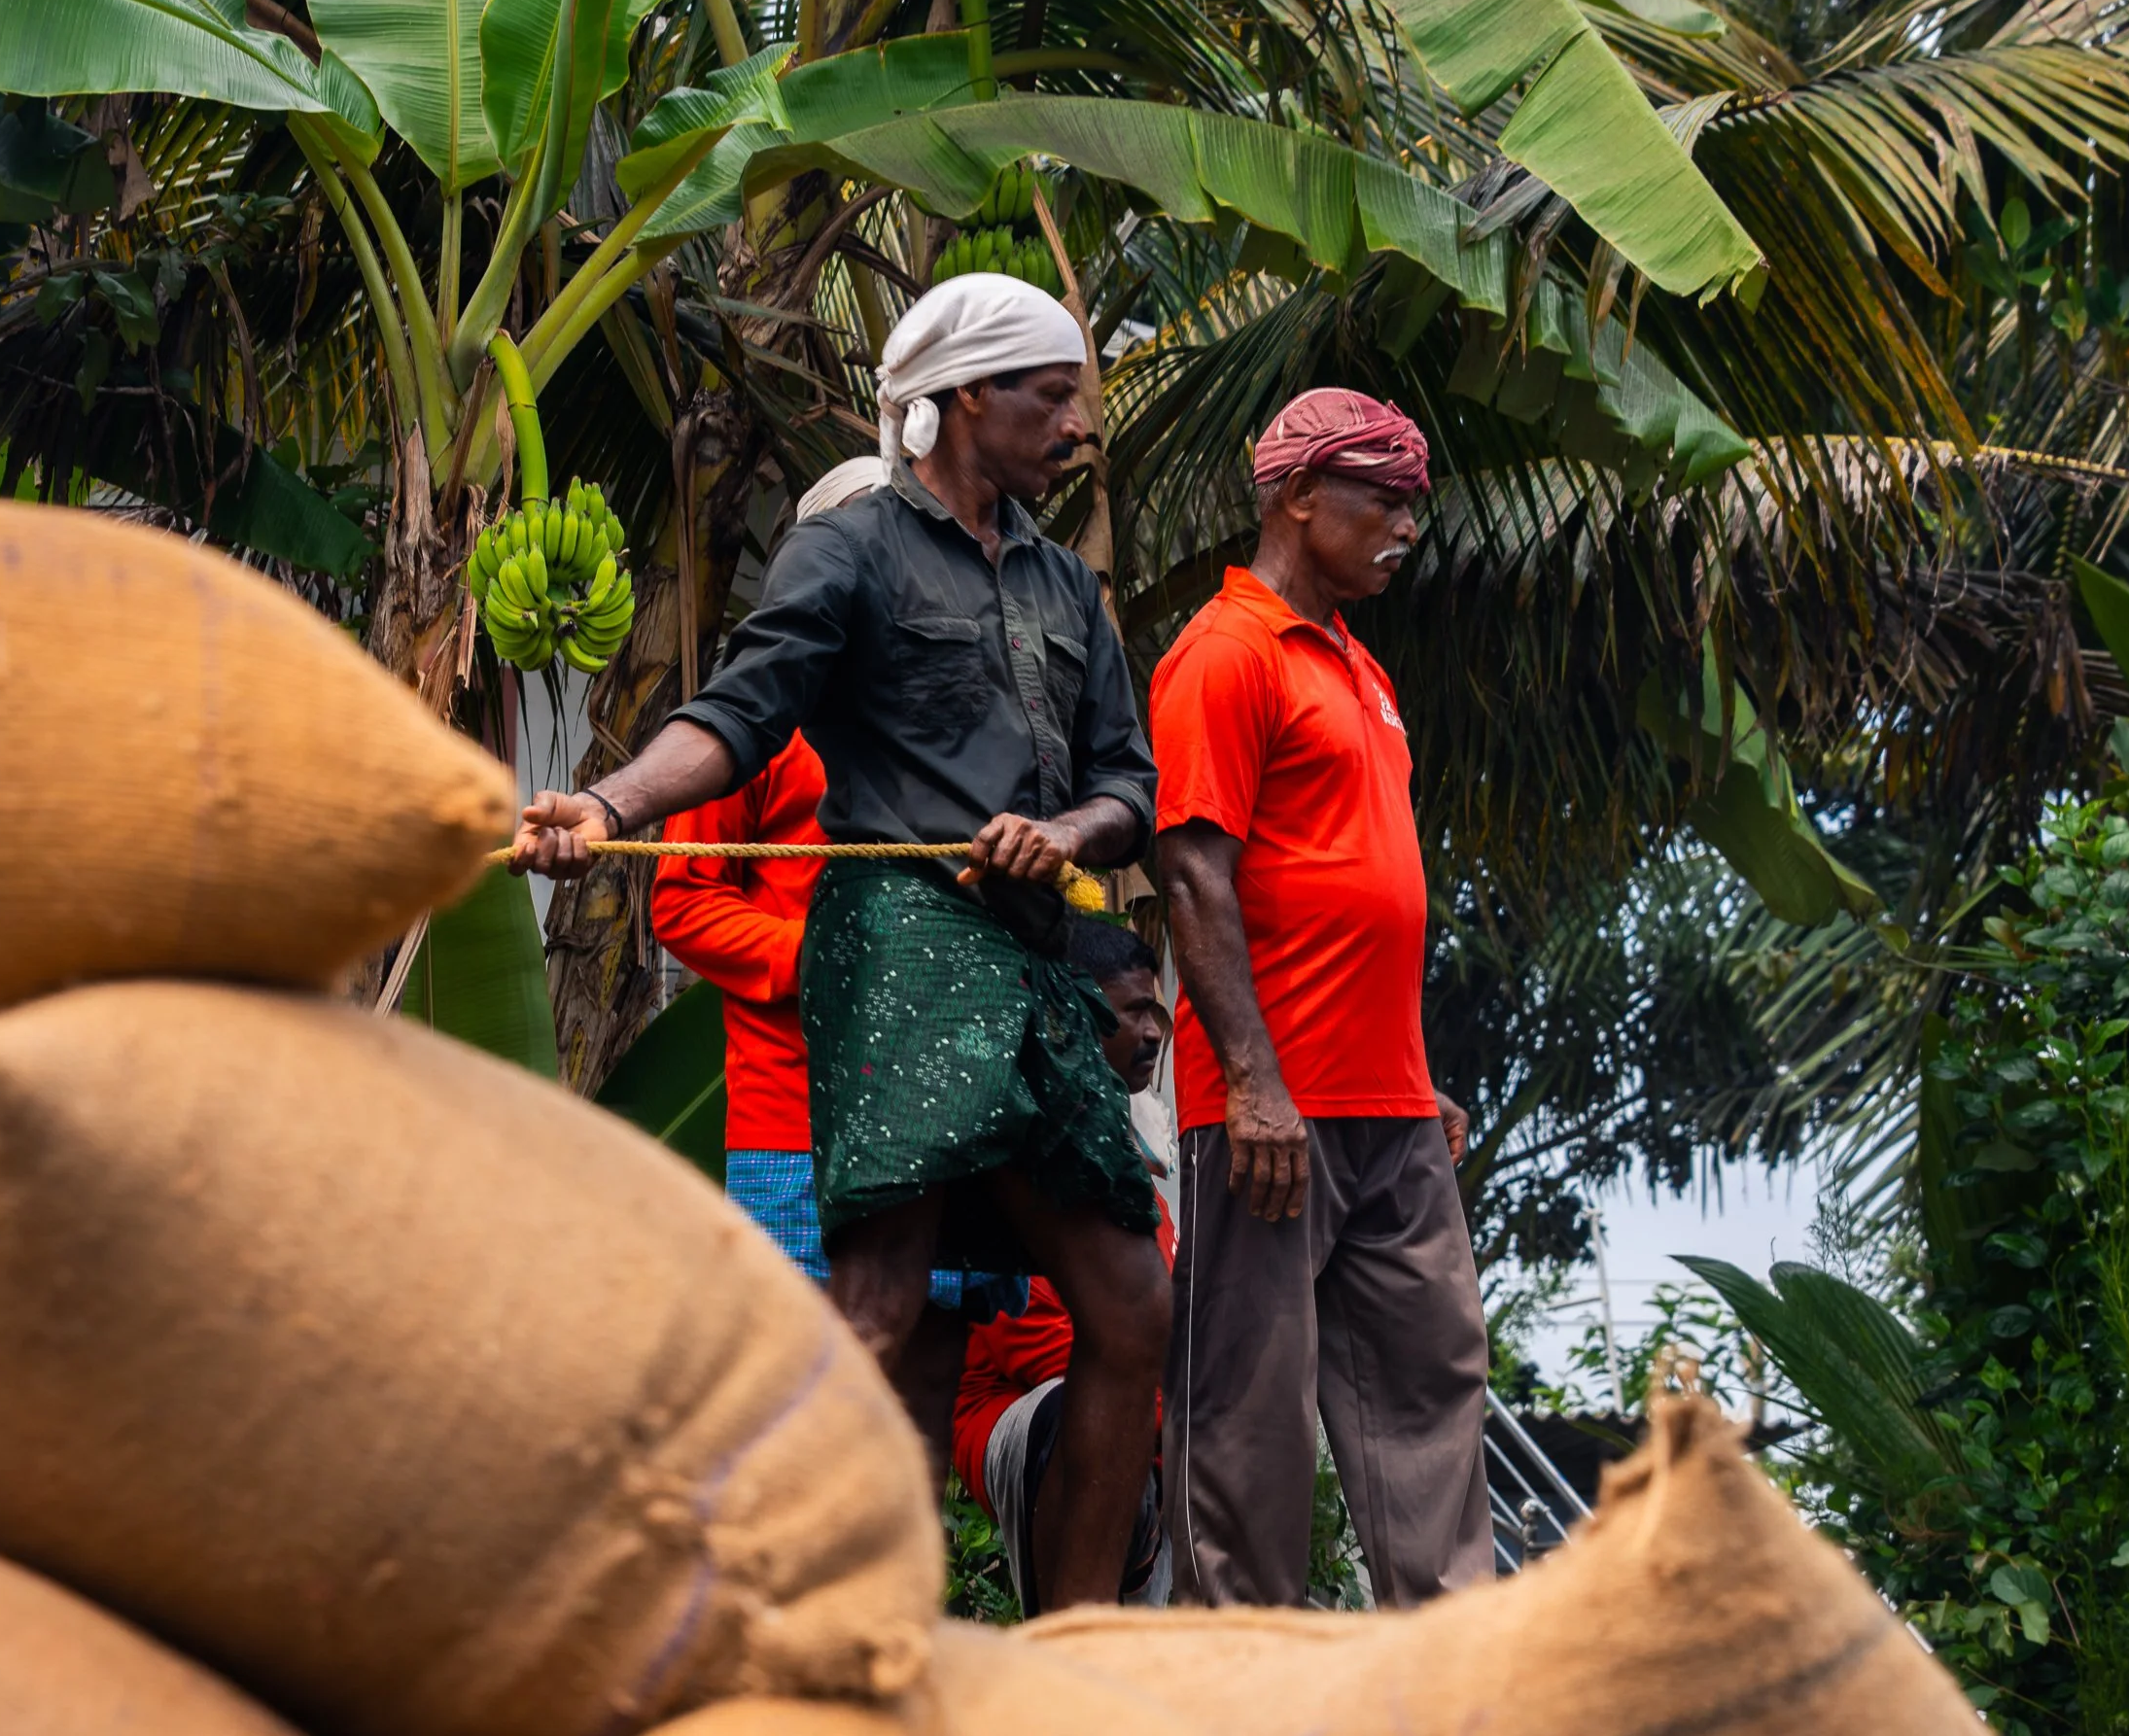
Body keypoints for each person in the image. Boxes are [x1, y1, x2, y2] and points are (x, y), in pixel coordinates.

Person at [512, 274, 1169, 1614]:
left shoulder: (1062, 585)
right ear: (967, 398)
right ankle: (771, 1615)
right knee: (881, 1323)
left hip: (1031, 969)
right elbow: (738, 714)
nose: (1077, 421)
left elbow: (1129, 785)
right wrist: (606, 801)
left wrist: (1073, 831)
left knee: (1132, 1310)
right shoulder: (855, 546)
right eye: (1051, 394)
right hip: (904, 956)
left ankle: (1084, 1650)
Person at [1151, 385, 1493, 1607]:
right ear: (1299, 495)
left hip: (1390, 1106)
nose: (1406, 522)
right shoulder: (1224, 654)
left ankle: (1457, 1698)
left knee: (1433, 1382)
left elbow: (1362, 888)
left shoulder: (1359, 666)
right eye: (1382, 497)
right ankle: (1241, 1704)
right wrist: (1251, 1082)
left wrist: (1414, 1072)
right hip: (1267, 1117)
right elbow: (1191, 870)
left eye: (1414, 500)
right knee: (1249, 1424)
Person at [647, 460, 885, 1285]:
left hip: (938, 1107)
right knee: (797, 1372)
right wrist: (814, 955)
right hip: (792, 1113)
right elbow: (681, 903)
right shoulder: (755, 724)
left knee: (930, 1370)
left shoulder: (956, 717)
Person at [952, 915, 1174, 1614]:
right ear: (1074, 1005)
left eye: (1158, 1013)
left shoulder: (1139, 1150)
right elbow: (1034, 1338)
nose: (1154, 1033)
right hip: (1021, 1411)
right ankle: (1070, 1629)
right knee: (1087, 1407)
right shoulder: (1018, 1132)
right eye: (1135, 1010)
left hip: (1144, 1414)